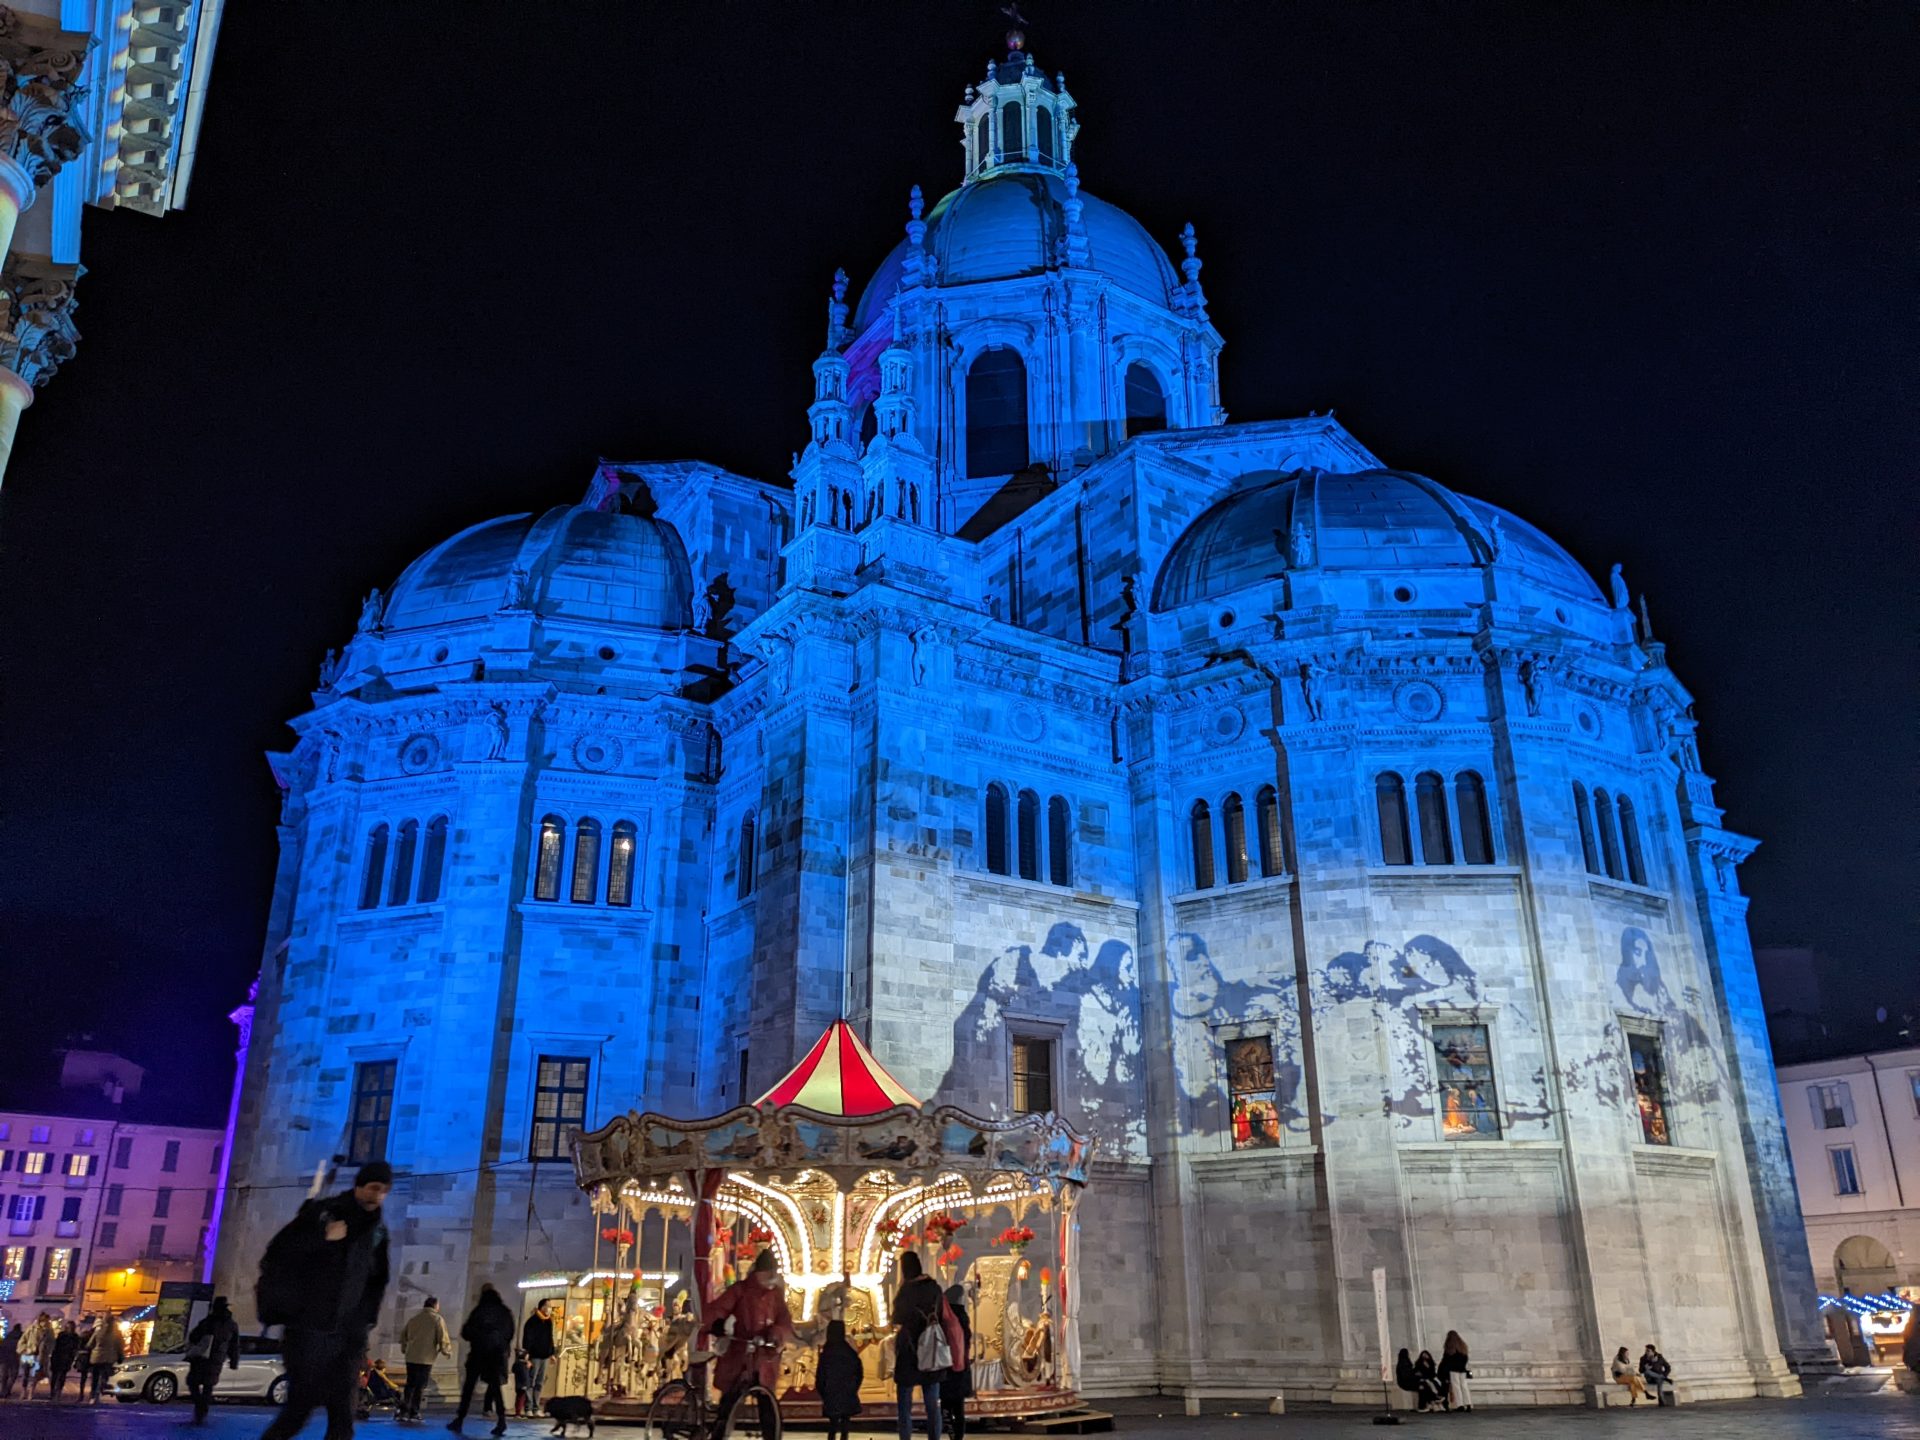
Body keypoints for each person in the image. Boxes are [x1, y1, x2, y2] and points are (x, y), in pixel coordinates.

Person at [258, 1160, 393, 1440]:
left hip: (348, 1335)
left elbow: (377, 1281)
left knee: (343, 1417)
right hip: (308, 1331)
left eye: (384, 1190)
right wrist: (324, 1241)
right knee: (298, 1410)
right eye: (373, 1188)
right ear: (358, 1187)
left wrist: (365, 1321)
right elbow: (278, 1254)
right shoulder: (323, 1215)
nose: (378, 1195)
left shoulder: (377, 1232)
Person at [704, 1249, 797, 1422]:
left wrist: (775, 1334)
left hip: (764, 1358)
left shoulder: (775, 1295)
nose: (771, 1276)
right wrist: (716, 1324)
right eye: (768, 1272)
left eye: (773, 1272)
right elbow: (719, 1309)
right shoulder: (741, 1290)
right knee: (730, 1401)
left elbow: (784, 1321)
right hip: (741, 1356)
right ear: (759, 1273)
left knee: (767, 1404)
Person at [889, 1251, 962, 1440]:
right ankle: (934, 1437)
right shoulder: (934, 1288)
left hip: (909, 1349)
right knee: (932, 1403)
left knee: (905, 1403)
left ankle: (905, 1437)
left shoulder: (906, 1291)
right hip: (932, 1347)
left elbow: (897, 1317)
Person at [449, 1283, 515, 1436]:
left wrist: (478, 1337)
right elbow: (509, 1334)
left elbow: (466, 1332)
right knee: (496, 1389)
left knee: (469, 1388)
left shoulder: (480, 1311)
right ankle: (501, 1420)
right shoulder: (505, 1313)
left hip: (479, 1354)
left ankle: (459, 1419)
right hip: (497, 1356)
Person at [188, 1296, 242, 1424]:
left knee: (193, 1383)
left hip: (201, 1358)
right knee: (208, 1386)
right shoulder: (231, 1325)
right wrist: (234, 1361)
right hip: (216, 1360)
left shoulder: (207, 1321)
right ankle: (202, 1411)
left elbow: (193, 1337)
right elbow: (235, 1345)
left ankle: (200, 1407)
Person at [400, 1296, 453, 1423]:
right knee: (420, 1386)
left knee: (410, 1384)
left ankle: (403, 1411)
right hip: (426, 1358)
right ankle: (415, 1411)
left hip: (411, 1356)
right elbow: (443, 1337)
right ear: (435, 1306)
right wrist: (447, 1351)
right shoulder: (437, 1319)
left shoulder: (414, 1319)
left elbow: (403, 1335)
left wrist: (404, 1349)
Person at [818, 1318, 864, 1440]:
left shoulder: (827, 1353)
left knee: (832, 1425)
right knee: (845, 1424)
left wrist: (823, 1391)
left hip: (831, 1392)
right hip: (847, 1391)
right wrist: (854, 1388)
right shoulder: (850, 1352)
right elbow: (859, 1372)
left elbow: (821, 1375)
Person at [940, 1285, 973, 1440]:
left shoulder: (947, 1317)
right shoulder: (963, 1316)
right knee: (958, 1408)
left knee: (946, 1406)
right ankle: (957, 1437)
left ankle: (952, 1434)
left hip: (948, 1366)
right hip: (961, 1366)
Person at [521, 1297, 556, 1410]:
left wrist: (552, 1353)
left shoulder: (548, 1321)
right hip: (534, 1356)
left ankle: (536, 1407)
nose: (549, 1309)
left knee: (540, 1382)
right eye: (547, 1306)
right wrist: (527, 1353)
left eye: (550, 1307)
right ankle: (528, 1407)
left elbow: (550, 1338)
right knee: (531, 1381)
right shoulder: (532, 1321)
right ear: (542, 1307)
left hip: (545, 1356)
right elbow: (527, 1338)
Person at [88, 1314, 125, 1403]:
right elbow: (120, 1346)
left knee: (95, 1377)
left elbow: (90, 1344)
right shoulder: (117, 1334)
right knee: (106, 1375)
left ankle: (93, 1395)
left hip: (96, 1358)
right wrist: (121, 1357)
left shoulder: (99, 1330)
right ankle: (101, 1388)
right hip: (109, 1359)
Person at [1439, 1330, 1472, 1412]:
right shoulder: (1463, 1347)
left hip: (1453, 1370)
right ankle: (1468, 1404)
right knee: (1464, 1386)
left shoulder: (1449, 1348)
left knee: (1456, 1387)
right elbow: (1466, 1359)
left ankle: (1460, 1405)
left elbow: (1446, 1361)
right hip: (1462, 1370)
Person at [49, 1320, 79, 1402]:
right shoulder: (63, 1335)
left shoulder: (73, 1337)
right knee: (56, 1376)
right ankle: (53, 1392)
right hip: (59, 1357)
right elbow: (56, 1346)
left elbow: (75, 1348)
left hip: (65, 1358)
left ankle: (57, 1392)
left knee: (61, 1376)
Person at [0, 1321, 22, 1397]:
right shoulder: (21, 1336)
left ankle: (3, 1391)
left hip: (3, 1357)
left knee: (4, 1376)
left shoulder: (8, 1336)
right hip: (14, 1357)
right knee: (13, 1375)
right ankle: (7, 1390)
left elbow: (2, 1346)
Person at [510, 1351, 530, 1417]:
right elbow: (524, 1376)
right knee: (520, 1399)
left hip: (519, 1385)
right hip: (522, 1385)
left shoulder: (517, 1364)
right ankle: (518, 1413)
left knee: (520, 1398)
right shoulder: (522, 1365)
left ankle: (518, 1412)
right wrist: (525, 1385)